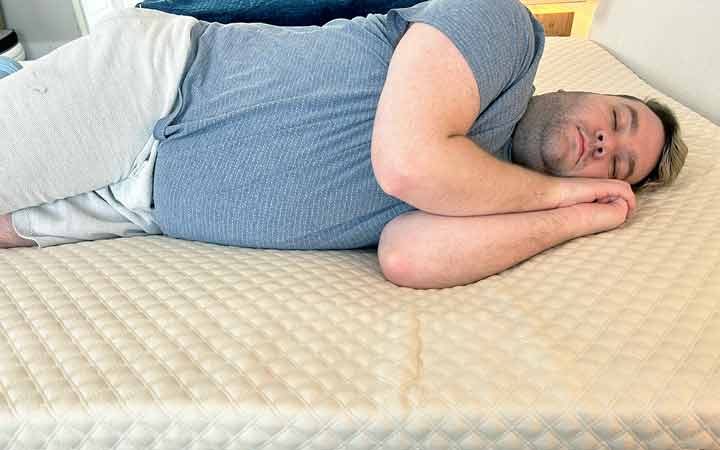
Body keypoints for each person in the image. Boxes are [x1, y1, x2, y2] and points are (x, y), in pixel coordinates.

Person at [0, 0, 687, 289]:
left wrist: (574, 216)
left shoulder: (494, 194)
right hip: (156, 93)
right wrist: (558, 191)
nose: (603, 144)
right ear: (578, 92)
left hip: (138, 207)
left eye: (619, 164)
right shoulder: (503, 29)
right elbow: (407, 162)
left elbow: (406, 257)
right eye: (619, 119)